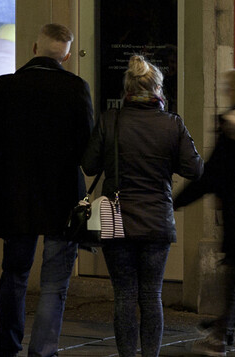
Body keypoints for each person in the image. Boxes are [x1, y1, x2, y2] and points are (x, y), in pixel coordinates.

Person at [0, 24, 94, 357]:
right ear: (67, 57)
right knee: (54, 282)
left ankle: (6, 346)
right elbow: (86, 151)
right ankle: (42, 350)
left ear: (34, 48)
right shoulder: (76, 88)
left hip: (15, 198)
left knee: (14, 275)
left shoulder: (5, 86)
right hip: (62, 199)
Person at [81, 54, 203, 357]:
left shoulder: (111, 120)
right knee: (151, 295)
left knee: (124, 295)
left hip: (116, 218)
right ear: (158, 89)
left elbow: (89, 165)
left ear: (127, 89)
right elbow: (195, 169)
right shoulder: (172, 124)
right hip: (157, 220)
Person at [173, 68, 235, 356]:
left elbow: (212, 175)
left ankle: (220, 335)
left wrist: (176, 201)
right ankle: (225, 328)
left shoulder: (231, 124)